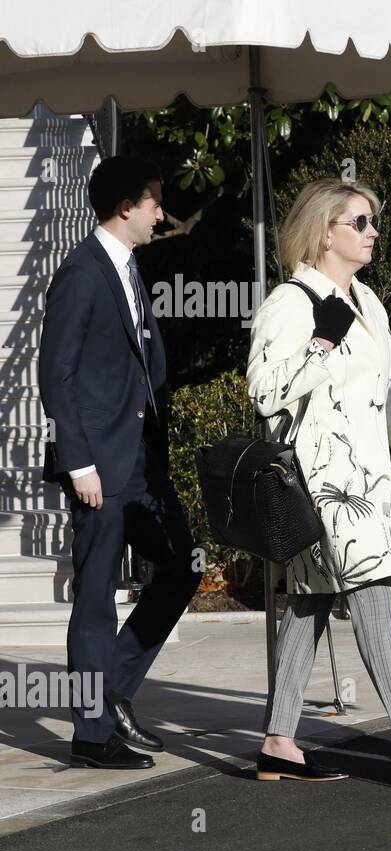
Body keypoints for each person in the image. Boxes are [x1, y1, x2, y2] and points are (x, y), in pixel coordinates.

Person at [245, 178, 391, 785]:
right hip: (321, 485)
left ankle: (278, 742)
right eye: (360, 222)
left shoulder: (369, 303)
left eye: (373, 221)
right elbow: (265, 392)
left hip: (372, 484)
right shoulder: (289, 304)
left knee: (311, 602)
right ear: (325, 232)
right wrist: (321, 341)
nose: (374, 232)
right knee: (373, 598)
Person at [38, 156, 203, 769]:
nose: (164, 212)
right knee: (96, 598)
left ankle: (113, 690)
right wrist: (78, 463)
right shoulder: (81, 274)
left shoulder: (130, 268)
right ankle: (91, 735)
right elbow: (57, 373)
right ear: (127, 206)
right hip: (98, 469)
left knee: (182, 566)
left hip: (139, 464)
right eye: (156, 201)